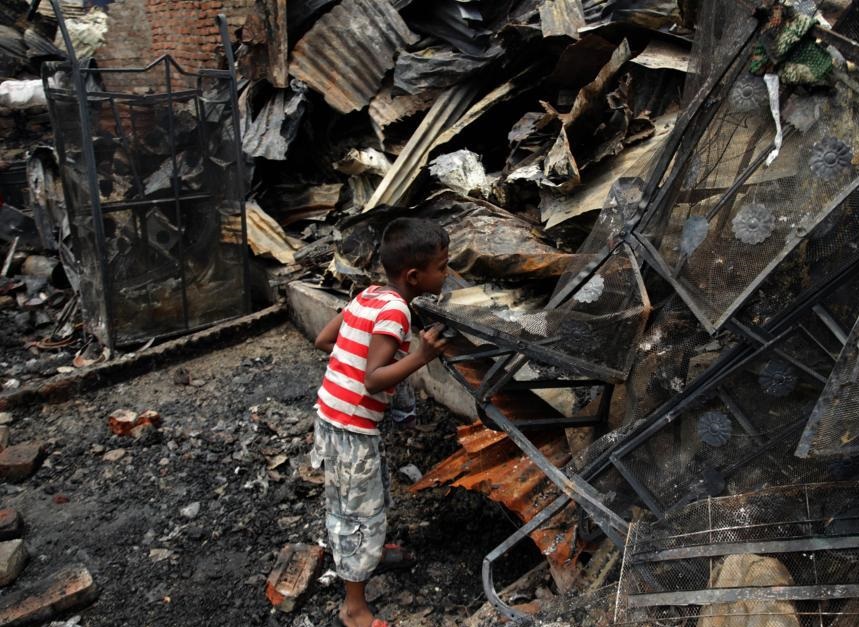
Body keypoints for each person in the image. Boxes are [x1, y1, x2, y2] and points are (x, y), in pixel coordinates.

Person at [311, 217, 450, 627]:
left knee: (362, 498)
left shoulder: (369, 295)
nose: (447, 274)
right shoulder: (395, 311)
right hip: (351, 428)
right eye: (442, 267)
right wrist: (420, 356)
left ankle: (370, 554)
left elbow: (324, 340)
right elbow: (373, 380)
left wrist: (351, 358)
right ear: (414, 276)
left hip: (332, 417)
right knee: (358, 513)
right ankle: (354, 609)